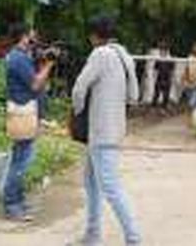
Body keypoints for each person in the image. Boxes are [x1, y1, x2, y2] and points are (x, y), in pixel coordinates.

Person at [71, 16, 141, 245]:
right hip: (114, 128)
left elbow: (79, 88)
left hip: (100, 130)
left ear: (94, 35)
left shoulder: (100, 54)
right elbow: (134, 96)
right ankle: (92, 234)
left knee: (109, 185)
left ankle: (134, 238)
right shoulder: (124, 55)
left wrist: (78, 111)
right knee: (91, 182)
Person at [3, 22, 53, 221]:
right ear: (23, 37)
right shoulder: (18, 58)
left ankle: (18, 201)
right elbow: (35, 83)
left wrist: (41, 64)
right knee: (21, 161)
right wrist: (48, 66)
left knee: (21, 158)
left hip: (26, 112)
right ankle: (12, 205)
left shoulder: (21, 57)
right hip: (23, 113)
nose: (34, 39)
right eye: (32, 36)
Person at [140, 38, 173, 108]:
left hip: (167, 78)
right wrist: (152, 77)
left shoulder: (170, 57)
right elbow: (154, 69)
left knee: (166, 95)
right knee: (156, 94)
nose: (162, 45)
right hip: (159, 78)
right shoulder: (156, 56)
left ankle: (164, 105)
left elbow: (171, 69)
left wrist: (170, 77)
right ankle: (153, 105)